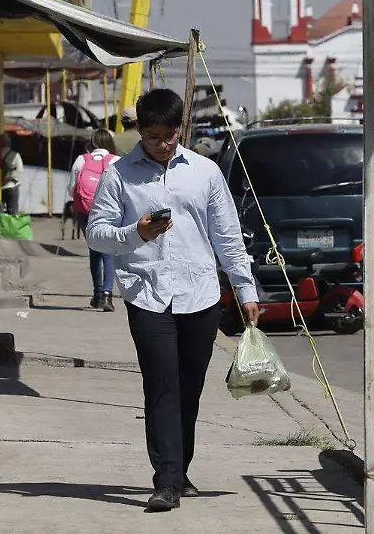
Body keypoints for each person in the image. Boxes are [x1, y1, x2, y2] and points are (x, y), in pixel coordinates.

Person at [85, 88, 260, 512]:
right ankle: (165, 480)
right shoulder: (119, 174)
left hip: (200, 295)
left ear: (179, 129)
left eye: (167, 136)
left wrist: (245, 287)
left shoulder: (205, 172)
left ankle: (179, 469)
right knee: (161, 384)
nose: (160, 145)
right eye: (151, 136)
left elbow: (227, 236)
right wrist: (135, 234)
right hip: (146, 294)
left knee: (189, 388)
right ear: (140, 132)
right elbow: (96, 232)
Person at [69, 128, 121, 310]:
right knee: (108, 251)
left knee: (94, 250)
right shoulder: (116, 161)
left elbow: (72, 188)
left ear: (92, 144)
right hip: (109, 212)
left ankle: (97, 294)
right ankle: (107, 295)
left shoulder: (82, 160)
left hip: (85, 211)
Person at [0, 134, 24, 216]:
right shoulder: (15, 155)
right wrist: (13, 179)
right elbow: (20, 170)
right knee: (13, 210)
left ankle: (0, 227)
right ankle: (11, 227)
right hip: (12, 185)